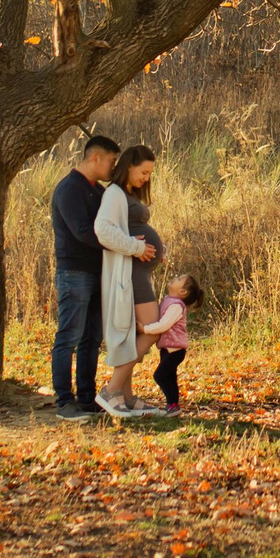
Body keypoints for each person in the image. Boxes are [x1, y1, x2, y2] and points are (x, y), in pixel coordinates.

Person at [48, 133, 122, 421]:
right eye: (111, 161)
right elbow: (82, 230)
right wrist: (119, 243)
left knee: (91, 338)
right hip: (74, 272)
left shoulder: (100, 191)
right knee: (69, 336)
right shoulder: (69, 189)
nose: (112, 168)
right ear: (95, 157)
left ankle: (87, 398)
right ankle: (64, 401)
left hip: (98, 272)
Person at [94, 143, 164, 416]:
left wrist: (159, 249)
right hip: (130, 274)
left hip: (139, 272)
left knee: (133, 335)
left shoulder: (129, 194)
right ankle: (111, 391)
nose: (146, 177)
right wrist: (137, 248)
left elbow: (132, 229)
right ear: (130, 166)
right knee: (154, 328)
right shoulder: (114, 193)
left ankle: (126, 397)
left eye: (150, 173)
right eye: (144, 172)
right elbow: (103, 230)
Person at [144, 274, 203, 414]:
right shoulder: (168, 300)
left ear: (183, 292)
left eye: (178, 280)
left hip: (175, 350)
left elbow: (164, 325)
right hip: (167, 348)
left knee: (160, 375)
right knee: (170, 377)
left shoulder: (176, 306)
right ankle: (173, 405)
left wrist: (144, 329)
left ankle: (173, 405)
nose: (174, 278)